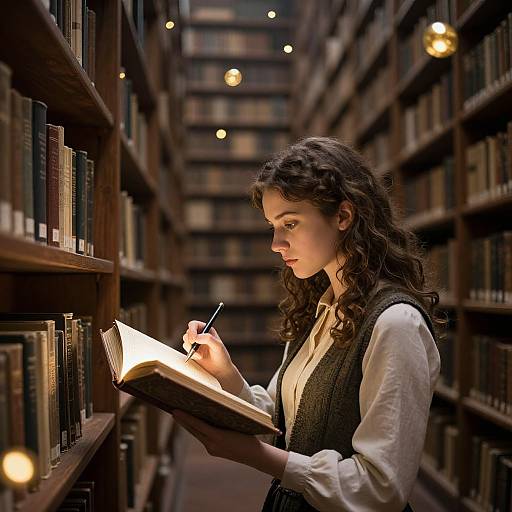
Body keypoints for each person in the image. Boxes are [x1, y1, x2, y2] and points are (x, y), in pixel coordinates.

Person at [175, 137, 442, 511]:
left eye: (290, 223)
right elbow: (286, 422)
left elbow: (382, 489)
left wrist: (256, 457)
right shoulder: (318, 309)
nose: (276, 243)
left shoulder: (396, 324)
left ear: (344, 217)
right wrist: (227, 373)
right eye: (272, 225)